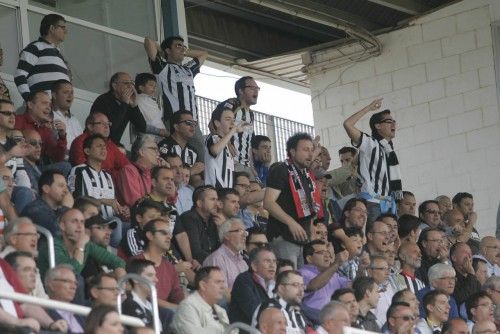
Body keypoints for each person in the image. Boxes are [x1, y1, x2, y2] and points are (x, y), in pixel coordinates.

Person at [264, 132, 324, 268]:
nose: (310, 154)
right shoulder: (281, 170)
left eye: (311, 150)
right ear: (292, 151)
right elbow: (268, 202)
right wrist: (291, 223)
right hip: (284, 237)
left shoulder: (305, 173)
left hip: (303, 240)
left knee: (299, 285)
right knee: (288, 282)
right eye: (305, 150)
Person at [144, 35, 208, 157]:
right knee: (176, 154)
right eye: (178, 46)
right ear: (168, 50)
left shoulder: (188, 69)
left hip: (193, 121)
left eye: (183, 46)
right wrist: (162, 50)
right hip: (175, 120)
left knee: (199, 155)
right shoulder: (162, 67)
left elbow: (204, 54)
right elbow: (148, 41)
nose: (182, 49)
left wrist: (184, 51)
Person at [343, 98, 402, 225]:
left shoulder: (388, 149)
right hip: (372, 203)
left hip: (389, 204)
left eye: (394, 121)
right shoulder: (370, 144)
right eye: (388, 121)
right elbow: (348, 124)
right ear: (378, 126)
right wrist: (369, 108)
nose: (393, 124)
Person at [68, 133, 126, 246]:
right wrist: (104, 201)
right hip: (89, 221)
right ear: (87, 151)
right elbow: (75, 200)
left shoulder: (108, 176)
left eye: (104, 146)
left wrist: (122, 210)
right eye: (99, 146)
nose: (103, 149)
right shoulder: (78, 171)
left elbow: (112, 205)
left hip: (110, 221)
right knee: (118, 224)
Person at [38, 208, 126, 280]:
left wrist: (121, 283)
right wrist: (80, 246)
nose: (79, 226)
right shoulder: (51, 245)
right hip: (48, 296)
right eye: (74, 221)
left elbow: (118, 262)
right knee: (79, 280)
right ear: (62, 226)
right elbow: (71, 274)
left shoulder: (87, 245)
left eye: (82, 222)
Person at [15, 13, 70, 101]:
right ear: (52, 28)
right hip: (42, 109)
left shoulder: (59, 56)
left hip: (58, 112)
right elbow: (20, 75)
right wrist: (30, 100)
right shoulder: (35, 47)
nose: (66, 31)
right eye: (63, 27)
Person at [132, 218, 184, 309]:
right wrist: (173, 308)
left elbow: (177, 294)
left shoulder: (169, 266)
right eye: (164, 233)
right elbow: (141, 296)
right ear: (150, 235)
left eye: (170, 234)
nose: (169, 237)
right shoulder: (136, 262)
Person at [90, 72, 148, 144]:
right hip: (96, 143)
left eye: (132, 83)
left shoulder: (128, 103)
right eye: (126, 83)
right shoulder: (103, 100)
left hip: (114, 145)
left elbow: (142, 128)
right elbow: (110, 129)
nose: (130, 86)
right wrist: (124, 104)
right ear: (114, 86)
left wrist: (134, 106)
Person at [171, 266, 229, 333]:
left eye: (223, 282)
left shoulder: (221, 311)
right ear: (203, 285)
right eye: (217, 282)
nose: (223, 286)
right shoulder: (187, 308)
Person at [205, 100, 248, 188]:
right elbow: (215, 150)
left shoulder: (226, 144)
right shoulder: (214, 137)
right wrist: (233, 130)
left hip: (226, 191)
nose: (232, 123)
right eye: (228, 119)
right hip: (216, 190)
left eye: (233, 120)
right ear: (217, 123)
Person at [15, 91, 67, 164]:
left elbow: (57, 157)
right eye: (44, 103)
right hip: (17, 162)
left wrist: (62, 137)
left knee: (64, 165)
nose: (49, 108)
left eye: (49, 105)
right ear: (30, 105)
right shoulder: (17, 120)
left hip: (37, 167)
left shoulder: (46, 130)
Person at [229, 247, 277, 324]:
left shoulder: (275, 285)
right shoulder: (244, 281)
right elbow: (255, 312)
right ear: (254, 266)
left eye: (274, 261)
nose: (272, 265)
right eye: (267, 261)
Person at [122, 259, 172, 332]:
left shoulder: (153, 306)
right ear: (135, 279)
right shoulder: (128, 305)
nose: (156, 280)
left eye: (155, 275)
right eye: (150, 275)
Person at [299, 240, 349, 313]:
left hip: (333, 318)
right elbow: (313, 286)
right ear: (309, 259)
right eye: (321, 253)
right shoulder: (302, 273)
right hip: (312, 319)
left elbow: (353, 287)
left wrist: (361, 269)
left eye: (327, 252)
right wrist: (336, 264)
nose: (327, 256)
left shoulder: (334, 274)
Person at [175, 185, 220, 264]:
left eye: (217, 199)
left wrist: (221, 227)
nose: (217, 204)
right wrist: (219, 262)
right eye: (212, 199)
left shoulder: (214, 220)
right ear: (199, 203)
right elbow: (196, 252)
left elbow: (219, 248)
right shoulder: (189, 218)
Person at [116, 135, 162, 207]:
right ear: (141, 152)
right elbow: (135, 201)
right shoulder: (129, 170)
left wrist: (166, 172)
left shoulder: (152, 173)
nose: (158, 154)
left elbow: (169, 198)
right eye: (154, 149)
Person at [21, 169, 71, 236]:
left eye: (66, 187)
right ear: (46, 189)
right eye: (61, 186)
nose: (66, 191)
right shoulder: (34, 210)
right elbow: (57, 233)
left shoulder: (61, 210)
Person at [202, 218, 248, 290]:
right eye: (239, 231)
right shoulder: (217, 259)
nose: (244, 235)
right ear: (226, 236)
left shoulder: (243, 262)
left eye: (245, 231)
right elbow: (220, 293)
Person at [44, 264, 86, 332]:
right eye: (68, 281)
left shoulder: (81, 313)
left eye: (75, 283)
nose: (74, 287)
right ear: (51, 285)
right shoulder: (43, 312)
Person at [134, 72, 168, 142]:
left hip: (160, 137)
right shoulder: (138, 100)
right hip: (150, 138)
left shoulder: (151, 100)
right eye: (151, 85)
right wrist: (160, 131)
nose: (154, 88)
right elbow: (142, 123)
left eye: (155, 86)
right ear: (141, 87)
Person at [51, 79, 82, 153]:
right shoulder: (49, 116)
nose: (70, 96)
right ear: (54, 95)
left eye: (72, 93)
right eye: (65, 92)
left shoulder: (75, 120)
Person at [450, 242, 481, 306]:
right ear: (454, 257)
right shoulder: (449, 278)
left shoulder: (475, 281)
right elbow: (461, 299)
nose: (469, 256)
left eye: (471, 253)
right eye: (465, 252)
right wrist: (471, 274)